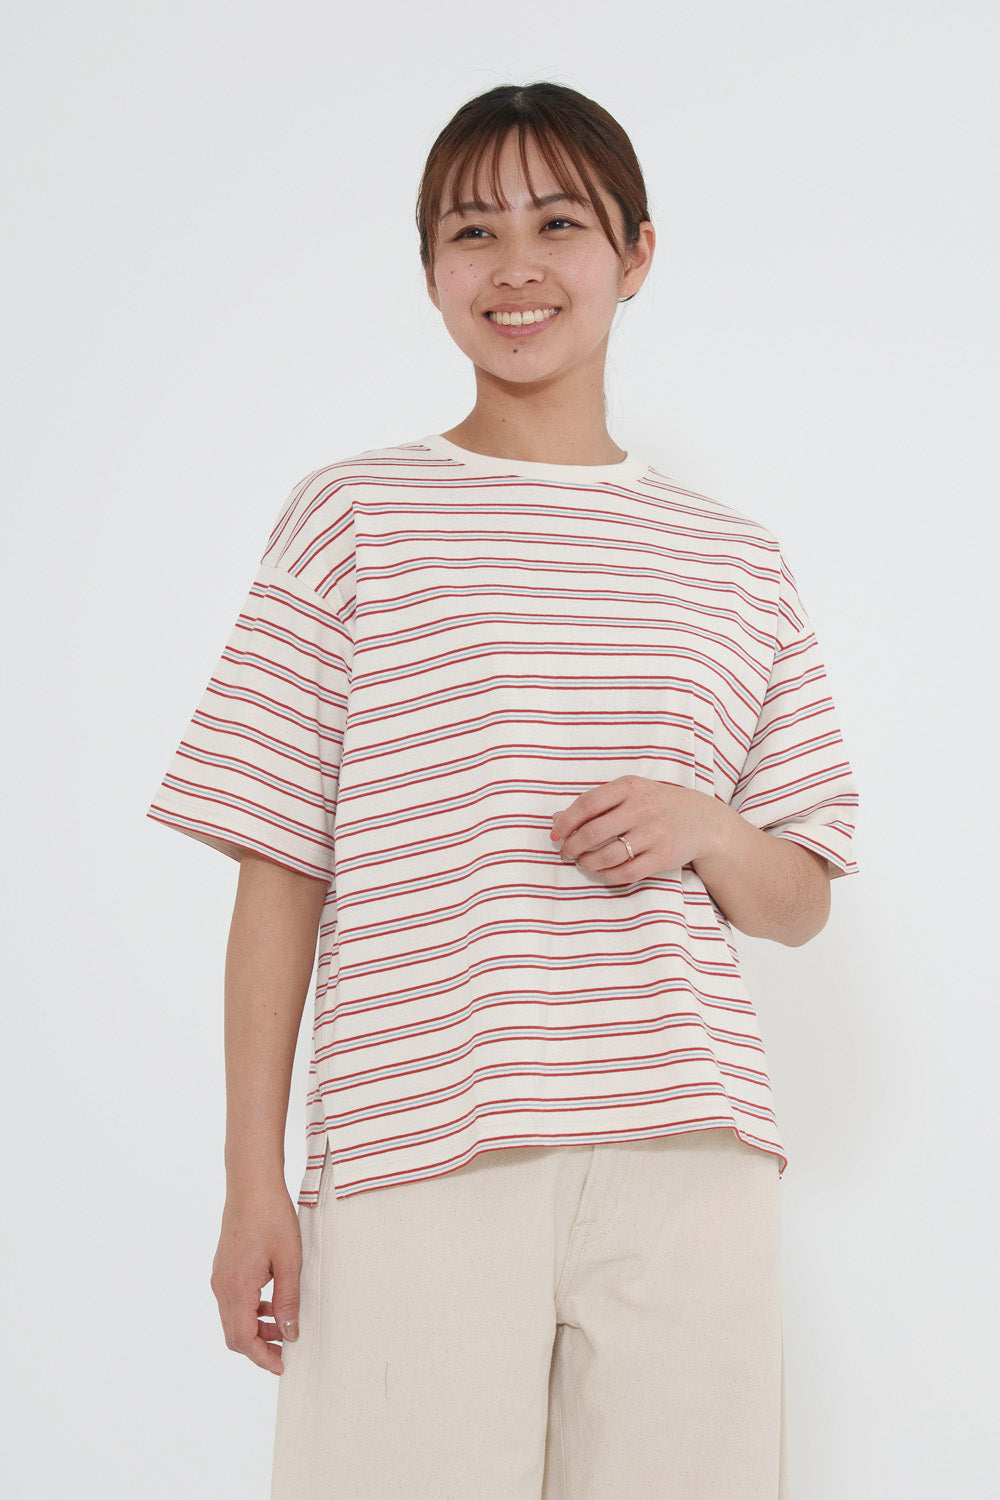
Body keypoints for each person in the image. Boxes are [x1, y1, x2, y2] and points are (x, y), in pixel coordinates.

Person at [147, 81, 860, 1499]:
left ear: (637, 253)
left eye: (559, 224)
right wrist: (251, 1182)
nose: (515, 265)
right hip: (421, 1139)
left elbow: (802, 899)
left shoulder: (736, 562)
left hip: (687, 1146)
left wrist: (707, 827)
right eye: (472, 231)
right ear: (429, 271)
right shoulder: (354, 518)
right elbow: (279, 865)